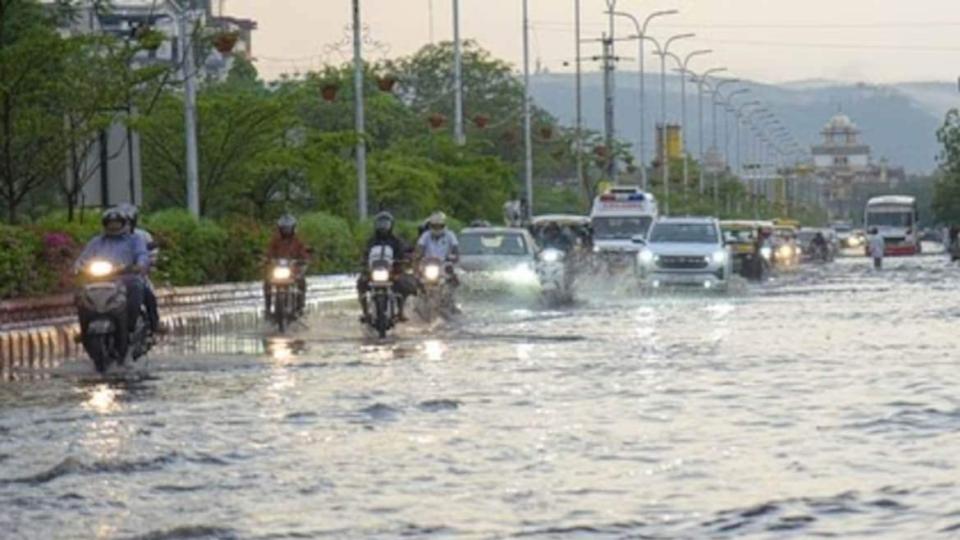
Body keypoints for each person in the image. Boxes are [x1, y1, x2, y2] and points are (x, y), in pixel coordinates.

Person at [74, 208, 150, 337]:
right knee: (80, 294)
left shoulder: (134, 240)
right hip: (99, 279)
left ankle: (131, 324)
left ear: (123, 223)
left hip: (125, 276)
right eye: (110, 223)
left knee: (136, 286)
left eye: (116, 223)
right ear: (105, 224)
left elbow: (142, 255)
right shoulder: (96, 241)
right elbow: (83, 258)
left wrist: (139, 265)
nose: (113, 226)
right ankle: (84, 329)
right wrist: (78, 267)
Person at [357, 211, 417, 323]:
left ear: (391, 225)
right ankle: (365, 312)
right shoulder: (371, 241)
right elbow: (365, 253)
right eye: (381, 223)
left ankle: (400, 312)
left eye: (385, 223)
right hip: (374, 272)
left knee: (402, 284)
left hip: (392, 271)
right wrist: (363, 262)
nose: (383, 226)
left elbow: (404, 252)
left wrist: (404, 260)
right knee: (361, 283)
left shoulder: (396, 241)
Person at [118, 204, 162, 335]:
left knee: (149, 297)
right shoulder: (102, 239)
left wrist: (143, 265)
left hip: (135, 277)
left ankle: (154, 325)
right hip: (110, 278)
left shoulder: (140, 237)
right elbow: (89, 255)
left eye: (125, 222)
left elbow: (148, 255)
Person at [264, 215, 310, 316]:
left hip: (293, 270)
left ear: (293, 228)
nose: (286, 230)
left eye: (288, 228)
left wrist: (304, 259)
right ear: (280, 228)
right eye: (284, 228)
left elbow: (304, 253)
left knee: (301, 281)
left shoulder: (298, 240)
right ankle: (267, 308)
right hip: (278, 270)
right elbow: (269, 252)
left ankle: (300, 306)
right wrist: (266, 259)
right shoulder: (275, 240)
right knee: (267, 282)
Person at [416, 211, 460, 287]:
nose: (437, 228)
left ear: (444, 225)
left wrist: (454, 256)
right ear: (430, 226)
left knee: (453, 277)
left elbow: (455, 249)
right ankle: (420, 295)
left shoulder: (450, 235)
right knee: (417, 279)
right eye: (434, 226)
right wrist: (418, 255)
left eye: (439, 226)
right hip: (428, 264)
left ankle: (452, 295)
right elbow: (420, 247)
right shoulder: (426, 235)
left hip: (444, 263)